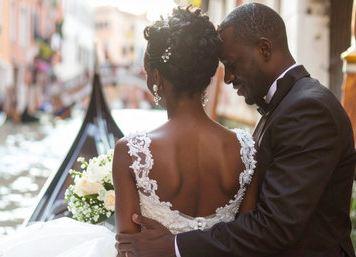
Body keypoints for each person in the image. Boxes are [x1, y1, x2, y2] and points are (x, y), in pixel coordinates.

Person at [0, 6, 258, 257]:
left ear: (157, 76)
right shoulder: (246, 149)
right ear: (208, 74)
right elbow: (246, 242)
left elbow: (128, 252)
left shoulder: (131, 151)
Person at [115, 3, 356, 257]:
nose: (228, 77)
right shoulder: (283, 110)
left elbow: (275, 226)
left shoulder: (308, 109)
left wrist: (176, 245)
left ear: (264, 49)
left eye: (232, 63)